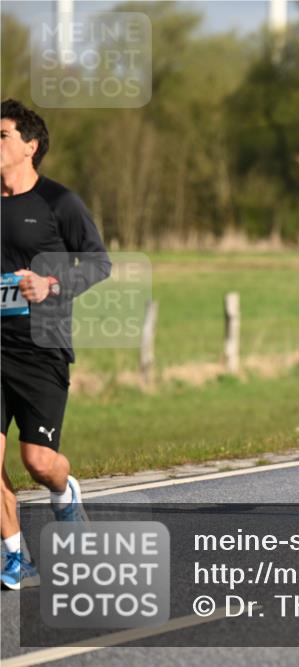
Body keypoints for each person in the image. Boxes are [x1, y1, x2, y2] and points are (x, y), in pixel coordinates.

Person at [1, 99, 111, 589]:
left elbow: (98, 263)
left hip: (40, 345)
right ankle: (12, 554)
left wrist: (49, 283)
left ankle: (65, 494)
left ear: (31, 145)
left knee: (38, 462)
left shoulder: (58, 202)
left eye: (1, 134)